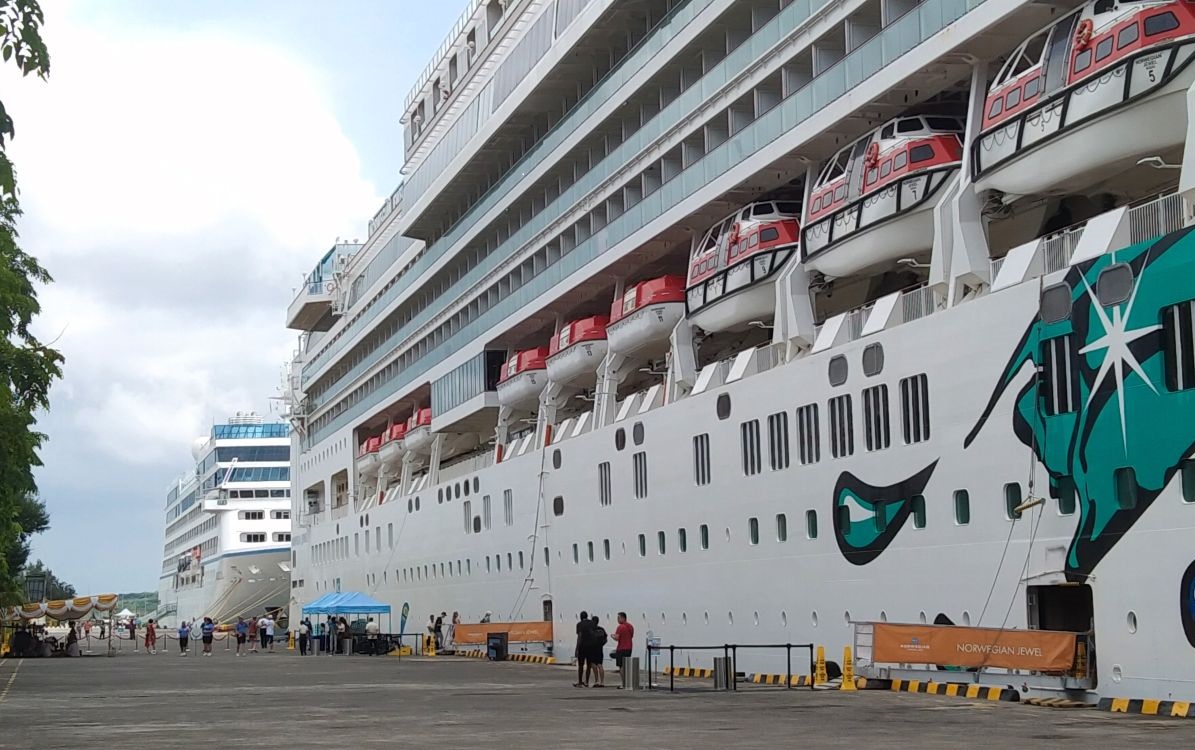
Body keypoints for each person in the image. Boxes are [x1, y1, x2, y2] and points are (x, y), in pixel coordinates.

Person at [587, 615, 607, 687]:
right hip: (599, 649)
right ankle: (602, 682)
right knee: (600, 664)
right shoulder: (602, 629)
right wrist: (601, 644)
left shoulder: (590, 630)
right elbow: (605, 640)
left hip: (592, 649)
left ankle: (596, 681)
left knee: (593, 665)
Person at [574, 611, 592, 687]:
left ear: (581, 617)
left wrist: (577, 648)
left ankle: (580, 681)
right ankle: (587, 682)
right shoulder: (591, 623)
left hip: (582, 647)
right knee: (589, 665)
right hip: (591, 646)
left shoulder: (579, 624)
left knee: (581, 665)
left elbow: (580, 636)